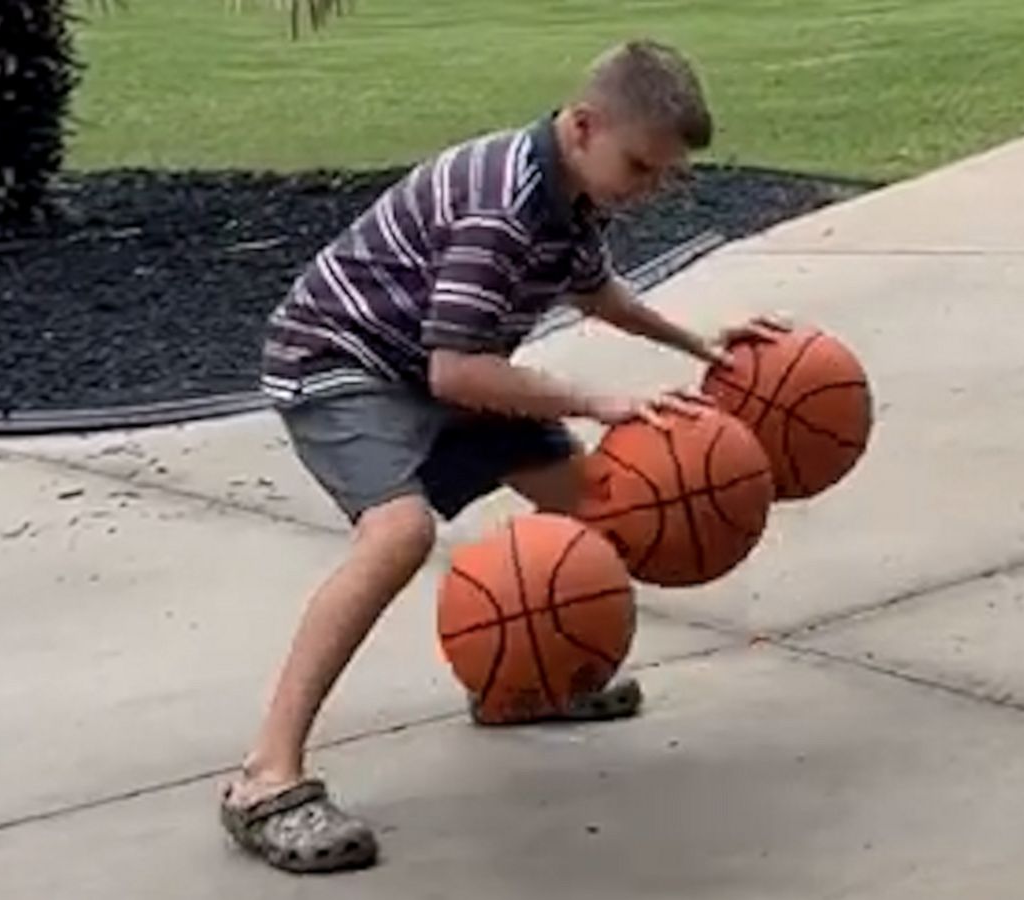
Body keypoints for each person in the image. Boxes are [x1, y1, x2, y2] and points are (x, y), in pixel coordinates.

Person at [219, 39, 783, 873]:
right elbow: (456, 370)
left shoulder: (576, 191)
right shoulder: (503, 205)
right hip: (343, 363)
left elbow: (597, 293)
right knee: (398, 534)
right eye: (641, 167)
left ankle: (524, 672)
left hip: (438, 365)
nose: (651, 189)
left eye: (666, 176)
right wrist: (596, 400)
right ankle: (264, 780)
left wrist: (703, 348)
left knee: (603, 500)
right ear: (584, 125)